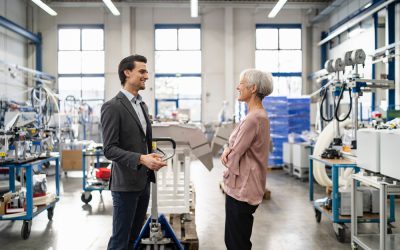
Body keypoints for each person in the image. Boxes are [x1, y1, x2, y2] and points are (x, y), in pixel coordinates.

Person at [101, 54, 167, 250]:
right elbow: (109, 149)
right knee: (120, 242)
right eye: (142, 71)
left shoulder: (142, 105)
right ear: (127, 72)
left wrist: (150, 155)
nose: (146, 75)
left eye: (146, 71)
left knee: (132, 240)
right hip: (125, 186)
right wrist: (141, 158)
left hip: (143, 182)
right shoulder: (112, 107)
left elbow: (141, 141)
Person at [221, 69, 273, 250]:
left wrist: (227, 153)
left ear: (253, 88)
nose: (238, 87)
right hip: (248, 186)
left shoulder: (253, 119)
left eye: (241, 83)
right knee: (239, 240)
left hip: (242, 189)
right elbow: (236, 147)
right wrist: (229, 148)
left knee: (236, 243)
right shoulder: (259, 116)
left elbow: (233, 156)